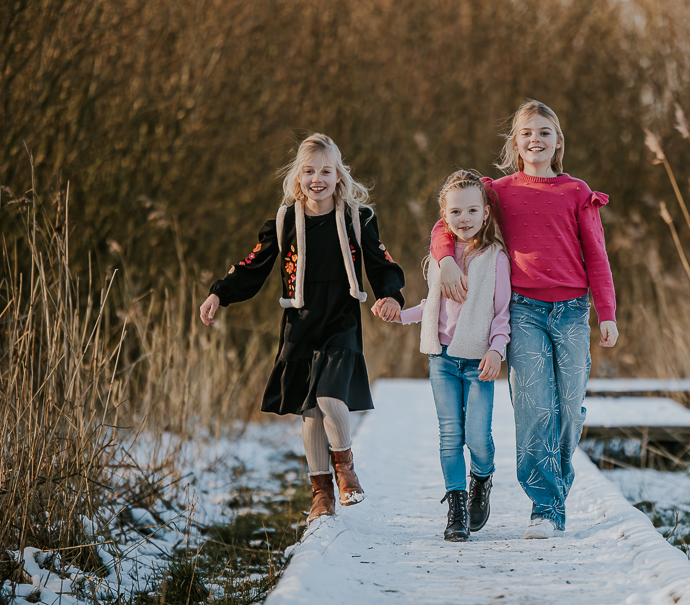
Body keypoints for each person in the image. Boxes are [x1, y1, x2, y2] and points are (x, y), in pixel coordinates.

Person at [429, 100, 618, 539]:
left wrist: (606, 312)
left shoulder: (576, 191)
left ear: (557, 142)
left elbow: (598, 257)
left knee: (567, 410)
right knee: (534, 410)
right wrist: (446, 261)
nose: (536, 139)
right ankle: (546, 507)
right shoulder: (498, 192)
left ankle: (556, 480)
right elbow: (450, 216)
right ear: (515, 142)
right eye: (527, 132)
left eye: (545, 132)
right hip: (524, 311)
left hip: (572, 311)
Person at [199, 133, 405, 525]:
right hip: (300, 324)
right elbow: (252, 266)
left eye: (326, 171)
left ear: (339, 176)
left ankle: (345, 470)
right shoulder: (284, 221)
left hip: (342, 321)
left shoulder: (356, 219)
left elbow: (382, 263)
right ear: (297, 177)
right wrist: (219, 295)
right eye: (309, 171)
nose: (318, 179)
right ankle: (321, 495)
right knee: (310, 411)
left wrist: (391, 295)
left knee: (329, 397)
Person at [376, 170, 510, 542]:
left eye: (471, 210)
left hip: (479, 362)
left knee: (478, 438)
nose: (463, 219)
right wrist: (401, 315)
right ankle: (456, 506)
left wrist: (498, 351)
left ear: (485, 212)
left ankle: (481, 478)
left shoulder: (496, 259)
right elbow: (432, 305)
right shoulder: (441, 257)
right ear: (443, 214)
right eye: (455, 212)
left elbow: (502, 314)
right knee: (450, 435)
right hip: (442, 360)